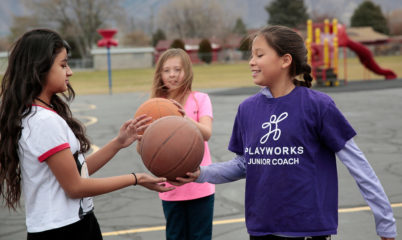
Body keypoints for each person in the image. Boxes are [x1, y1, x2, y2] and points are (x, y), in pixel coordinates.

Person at [173, 26, 397, 240]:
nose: (251, 62)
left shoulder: (318, 106)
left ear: (285, 60)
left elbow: (358, 165)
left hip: (307, 229)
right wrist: (201, 173)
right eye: (251, 56)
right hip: (261, 228)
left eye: (259, 55)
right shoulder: (247, 109)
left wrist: (384, 219)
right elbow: (244, 164)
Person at [0, 29, 173, 240]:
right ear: (40, 68)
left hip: (72, 224)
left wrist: (118, 143)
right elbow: (75, 187)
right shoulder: (43, 122)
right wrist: (135, 179)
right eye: (63, 65)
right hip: (63, 231)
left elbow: (77, 171)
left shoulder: (39, 114)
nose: (70, 71)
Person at [147, 48, 215, 240]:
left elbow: (206, 133)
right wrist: (142, 139)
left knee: (200, 236)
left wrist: (184, 118)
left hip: (200, 183)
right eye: (167, 70)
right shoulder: (155, 106)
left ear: (187, 71)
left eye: (178, 69)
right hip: (170, 186)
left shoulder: (200, 99)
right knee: (175, 236)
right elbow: (143, 150)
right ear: (160, 74)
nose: (173, 75)